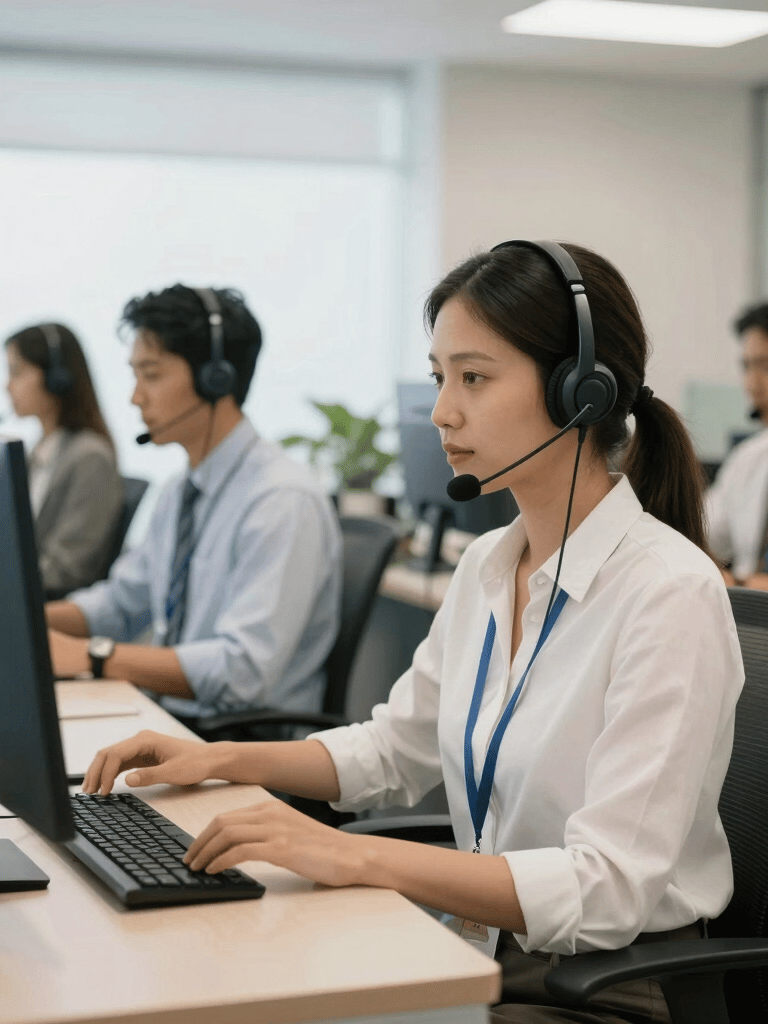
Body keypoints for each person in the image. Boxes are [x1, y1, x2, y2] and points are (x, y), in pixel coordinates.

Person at [81, 244, 743, 1024]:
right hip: (477, 948)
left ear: (581, 391)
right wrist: (216, 758)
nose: (442, 412)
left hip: (599, 989)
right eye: (439, 379)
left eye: (475, 377)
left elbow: (609, 885)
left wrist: (352, 854)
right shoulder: (489, 568)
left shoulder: (667, 593)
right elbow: (396, 749)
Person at [46, 284, 342, 723]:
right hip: (173, 722)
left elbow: (241, 670)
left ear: (214, 377)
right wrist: (24, 622)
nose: (135, 397)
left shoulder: (281, 500)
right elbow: (122, 604)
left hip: (247, 748)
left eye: (151, 374)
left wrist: (91, 656)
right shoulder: (179, 493)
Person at [4, 322, 122, 598]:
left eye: (16, 372)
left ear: (56, 377)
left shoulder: (89, 457)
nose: (7, 386)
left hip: (48, 612)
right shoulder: (39, 454)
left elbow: (67, 567)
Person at [707, 301, 768, 589]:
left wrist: (738, 583)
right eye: (747, 366)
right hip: (748, 624)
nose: (752, 382)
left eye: (765, 365)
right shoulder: (748, 458)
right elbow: (704, 532)